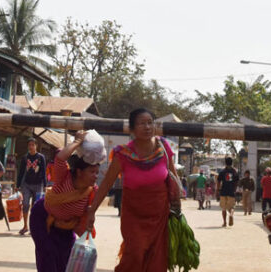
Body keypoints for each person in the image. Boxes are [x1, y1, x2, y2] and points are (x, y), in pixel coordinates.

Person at [88, 108, 181, 272]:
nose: (147, 127)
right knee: (134, 255)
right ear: (132, 129)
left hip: (160, 215)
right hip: (133, 217)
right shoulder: (123, 153)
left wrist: (177, 203)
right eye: (141, 123)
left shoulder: (163, 147)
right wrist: (92, 210)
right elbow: (106, 184)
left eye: (150, 123)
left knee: (157, 259)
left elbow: (173, 177)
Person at [30, 131, 100, 272]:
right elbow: (60, 158)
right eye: (92, 172)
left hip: (66, 228)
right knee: (48, 257)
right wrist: (77, 142)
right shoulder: (64, 176)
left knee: (66, 263)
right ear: (79, 172)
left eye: (97, 172)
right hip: (42, 218)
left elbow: (87, 216)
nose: (95, 176)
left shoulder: (92, 192)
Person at [16, 138, 48, 236]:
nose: (31, 147)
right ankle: (25, 226)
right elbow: (21, 172)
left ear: (36, 146)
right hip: (27, 184)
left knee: (35, 207)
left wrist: (45, 186)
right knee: (25, 204)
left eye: (33, 145)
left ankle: (34, 227)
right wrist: (17, 185)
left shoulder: (41, 157)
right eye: (29, 145)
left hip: (38, 185)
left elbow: (44, 172)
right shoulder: (25, 158)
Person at [216, 157, 239, 227]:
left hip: (223, 191)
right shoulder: (234, 172)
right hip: (231, 191)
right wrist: (234, 190)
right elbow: (236, 182)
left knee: (224, 208)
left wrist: (217, 190)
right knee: (232, 207)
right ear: (232, 163)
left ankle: (224, 222)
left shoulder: (222, 172)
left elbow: (218, 181)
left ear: (225, 163)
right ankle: (231, 215)